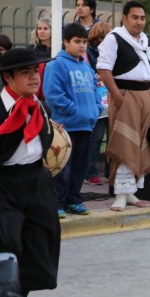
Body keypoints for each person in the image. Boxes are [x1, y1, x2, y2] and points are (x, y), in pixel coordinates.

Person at [0, 48, 60, 297]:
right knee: (6, 243)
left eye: (35, 71)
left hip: (35, 182)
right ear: (7, 77)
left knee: (36, 251)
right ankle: (1, 287)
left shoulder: (39, 107)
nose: (34, 76)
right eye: (26, 72)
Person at [96, 0, 150, 212]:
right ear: (125, 18)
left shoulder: (149, 44)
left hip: (146, 96)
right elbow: (104, 70)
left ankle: (132, 192)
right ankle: (120, 194)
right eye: (135, 17)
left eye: (142, 18)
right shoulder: (114, 39)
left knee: (141, 144)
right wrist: (119, 98)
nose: (139, 22)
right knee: (124, 143)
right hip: (125, 95)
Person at [42, 23, 102, 217]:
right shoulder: (56, 65)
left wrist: (95, 108)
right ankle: (58, 202)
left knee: (80, 166)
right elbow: (53, 95)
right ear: (66, 41)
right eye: (77, 41)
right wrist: (75, 111)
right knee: (62, 166)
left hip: (86, 124)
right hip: (65, 126)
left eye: (84, 42)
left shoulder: (86, 66)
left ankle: (74, 199)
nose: (82, 46)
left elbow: (95, 91)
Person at [83, 22, 111, 185]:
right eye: (100, 38)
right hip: (97, 99)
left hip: (111, 96)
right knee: (96, 138)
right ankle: (90, 171)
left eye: (105, 38)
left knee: (113, 138)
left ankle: (110, 170)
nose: (102, 41)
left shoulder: (114, 51)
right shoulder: (89, 53)